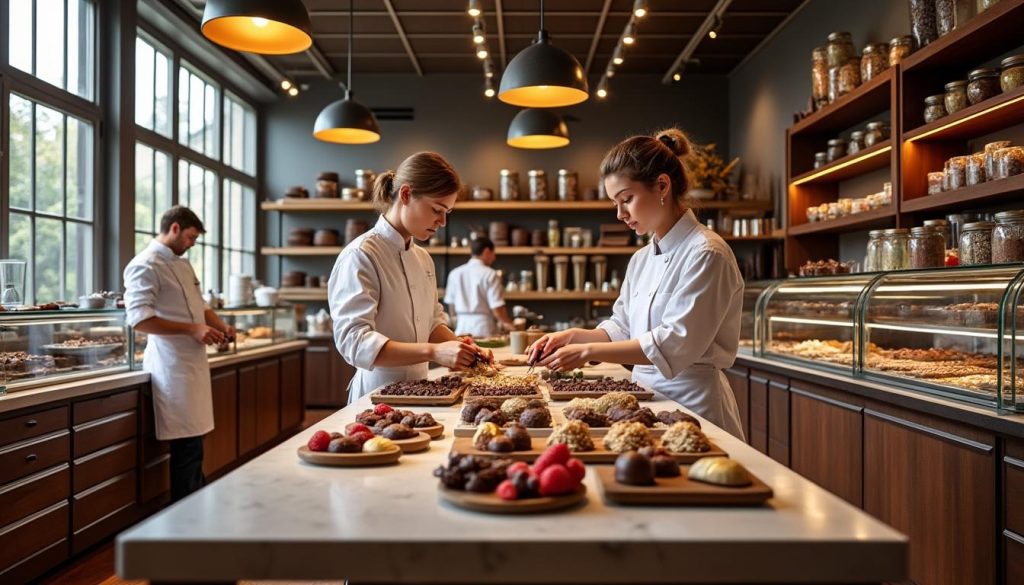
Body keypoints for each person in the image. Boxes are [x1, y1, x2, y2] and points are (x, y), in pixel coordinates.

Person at [527, 128, 745, 438]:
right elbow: (622, 327)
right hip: (644, 400)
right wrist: (573, 336)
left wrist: (588, 351)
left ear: (661, 185)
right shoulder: (641, 259)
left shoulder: (707, 253)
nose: (620, 214)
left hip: (694, 404)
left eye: (626, 199)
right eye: (615, 203)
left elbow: (676, 342)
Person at [328, 152, 490, 403]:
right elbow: (355, 343)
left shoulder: (423, 258)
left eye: (447, 212)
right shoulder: (361, 255)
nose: (443, 222)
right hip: (375, 397)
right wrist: (435, 352)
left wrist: (463, 350)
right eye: (437, 209)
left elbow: (431, 324)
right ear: (405, 195)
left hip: (423, 392)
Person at [123, 206, 235, 500]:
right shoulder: (144, 264)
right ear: (174, 228)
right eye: (190, 237)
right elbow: (139, 320)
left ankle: (195, 502)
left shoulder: (183, 265)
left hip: (194, 365)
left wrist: (222, 327)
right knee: (187, 447)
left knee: (195, 444)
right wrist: (192, 330)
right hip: (171, 366)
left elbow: (202, 307)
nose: (192, 243)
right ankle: (185, 513)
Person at [444, 236, 515, 337]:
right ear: (486, 251)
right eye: (493, 253)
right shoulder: (490, 274)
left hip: (461, 327)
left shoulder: (455, 273)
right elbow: (497, 308)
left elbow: (451, 306)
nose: (494, 257)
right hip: (484, 328)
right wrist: (509, 325)